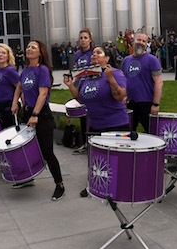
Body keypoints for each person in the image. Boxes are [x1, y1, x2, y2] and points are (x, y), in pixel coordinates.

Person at [65, 46, 128, 198]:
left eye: (98, 53)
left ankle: (120, 187)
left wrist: (111, 78)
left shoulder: (116, 74)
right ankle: (94, 185)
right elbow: (80, 99)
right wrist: (71, 86)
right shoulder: (87, 77)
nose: (94, 55)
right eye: (93, 53)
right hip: (95, 125)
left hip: (115, 124)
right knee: (96, 159)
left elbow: (120, 96)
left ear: (107, 59)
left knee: (118, 159)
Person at [11, 40, 65, 199]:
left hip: (41, 115)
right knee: (25, 149)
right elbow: (19, 87)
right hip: (27, 113)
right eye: (28, 47)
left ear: (40, 52)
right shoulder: (26, 70)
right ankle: (27, 178)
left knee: (47, 152)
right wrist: (15, 102)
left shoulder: (42, 70)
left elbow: (42, 94)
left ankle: (59, 184)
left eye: (33, 47)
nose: (29, 49)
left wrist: (35, 115)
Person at [122, 32, 163, 132]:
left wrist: (156, 104)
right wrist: (124, 96)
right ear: (133, 41)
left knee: (151, 133)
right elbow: (124, 80)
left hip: (146, 103)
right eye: (139, 40)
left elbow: (159, 83)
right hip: (130, 103)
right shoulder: (126, 60)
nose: (141, 43)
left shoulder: (152, 60)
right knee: (128, 132)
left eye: (144, 41)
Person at [71, 28, 96, 154]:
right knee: (82, 116)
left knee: (93, 115)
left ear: (90, 39)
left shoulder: (93, 53)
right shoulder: (77, 54)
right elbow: (77, 70)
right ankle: (84, 143)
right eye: (81, 38)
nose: (83, 40)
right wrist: (73, 80)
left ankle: (93, 141)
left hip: (92, 87)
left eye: (85, 38)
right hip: (81, 87)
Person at [0, 44, 20, 128]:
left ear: (8, 56)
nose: (0, 55)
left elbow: (20, 87)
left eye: (3, 53)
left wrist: (15, 103)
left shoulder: (10, 70)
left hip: (8, 108)